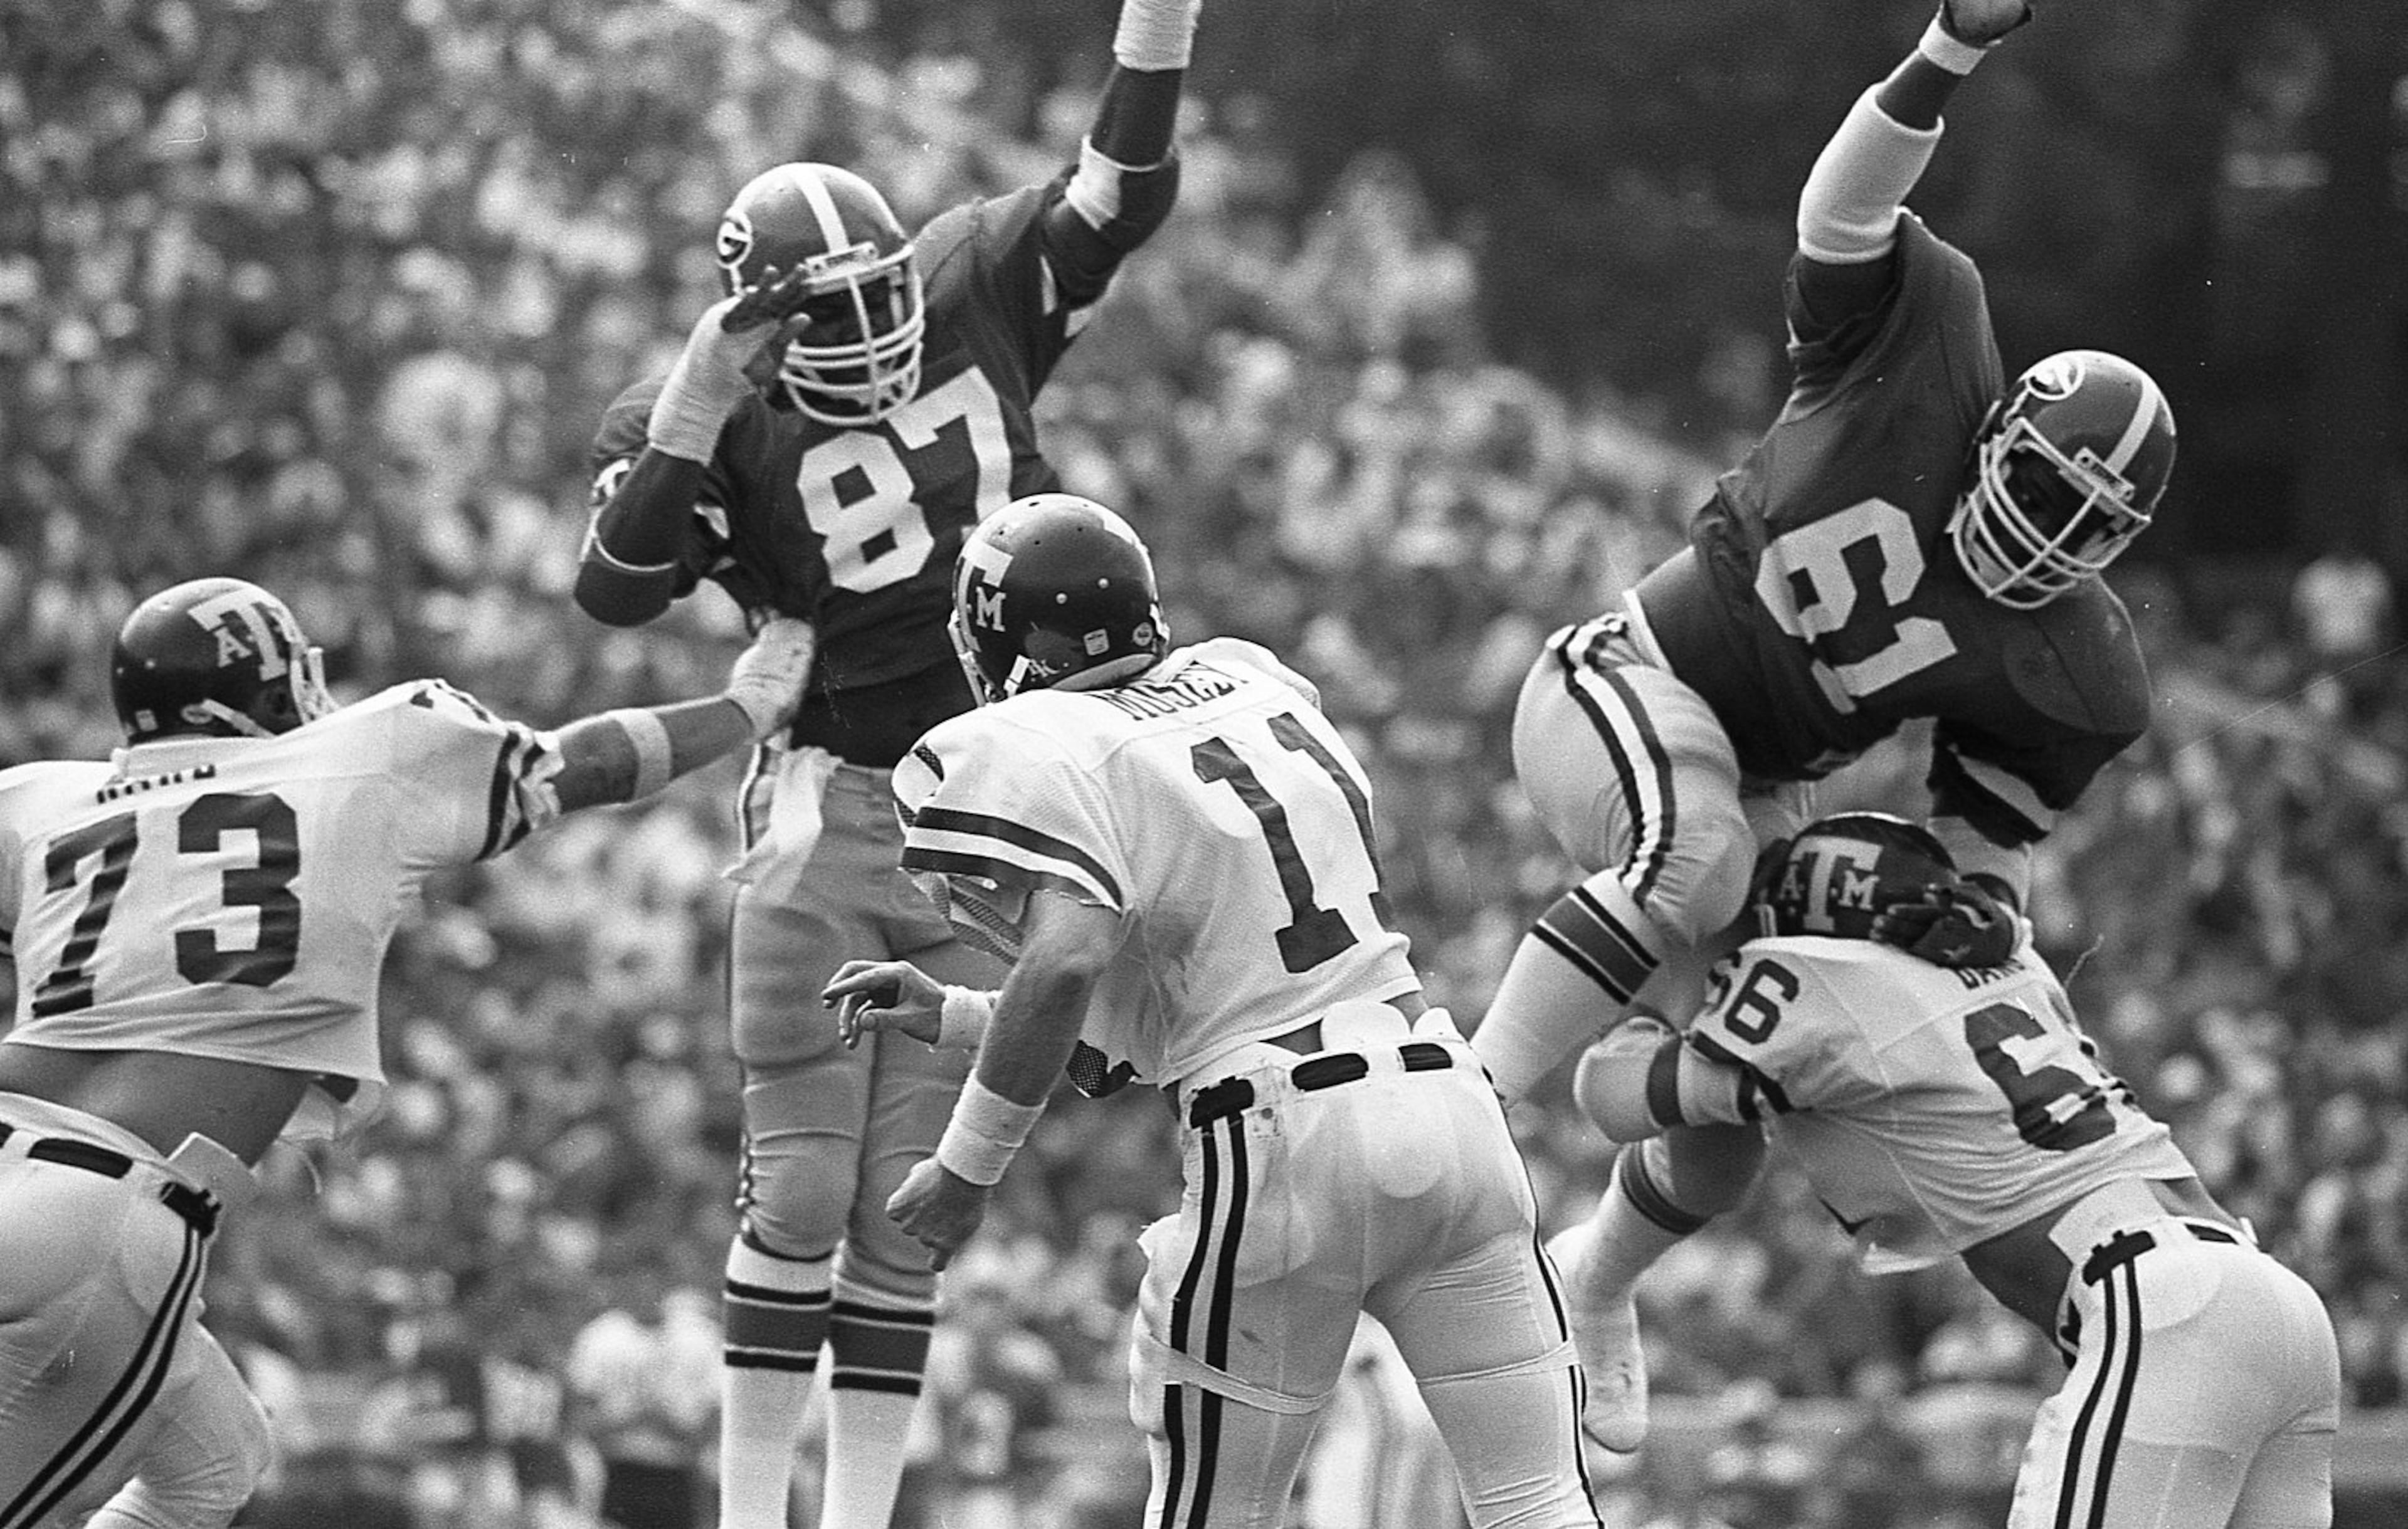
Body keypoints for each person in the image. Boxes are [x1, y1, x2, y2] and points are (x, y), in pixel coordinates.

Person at [1467, 0, 2179, 1452]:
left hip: (1758, 790)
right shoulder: (1912, 354)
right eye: (2035, 485)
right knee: (1698, 858)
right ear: (1994, 434)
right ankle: (1458, 1115)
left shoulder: (2075, 672)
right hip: (1625, 678)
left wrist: (1966, 927)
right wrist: (1945, 50)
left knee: (1750, 1087)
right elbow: (1839, 204)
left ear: (2114, 552)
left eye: (2079, 526)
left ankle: (1589, 1287)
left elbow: (1978, 855)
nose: (2039, 533)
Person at [568, 0, 1204, 1520]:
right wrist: (700, 401)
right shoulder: (703, 408)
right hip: (836, 802)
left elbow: (1122, 190)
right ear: (751, 332)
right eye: (822, 318)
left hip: (1016, 804)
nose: (866, 334)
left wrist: (1158, 18)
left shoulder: (972, 276)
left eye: (877, 297)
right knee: (797, 1188)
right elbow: (613, 584)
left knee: (907, 1215)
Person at [823, 493, 1602, 1528]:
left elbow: (1065, 966)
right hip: (1445, 1097)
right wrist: (962, 1013)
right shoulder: (1252, 681)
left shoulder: (1035, 738)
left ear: (1002, 641)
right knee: (1538, 1500)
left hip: (1280, 1129)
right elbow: (1171, 996)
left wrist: (966, 1166)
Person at [0, 575, 811, 1528]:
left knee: (216, 1455)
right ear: (263, 691)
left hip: (22, 1166)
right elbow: (584, 762)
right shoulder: (364, 759)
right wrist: (746, 707)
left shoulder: (34, 799)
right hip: (108, 1215)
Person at [1572, 811, 2341, 1528]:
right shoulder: (2016, 964)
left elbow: (1615, 1101)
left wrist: (1657, 1003)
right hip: (2274, 1302)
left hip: (2164, 1307)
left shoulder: (1816, 984)